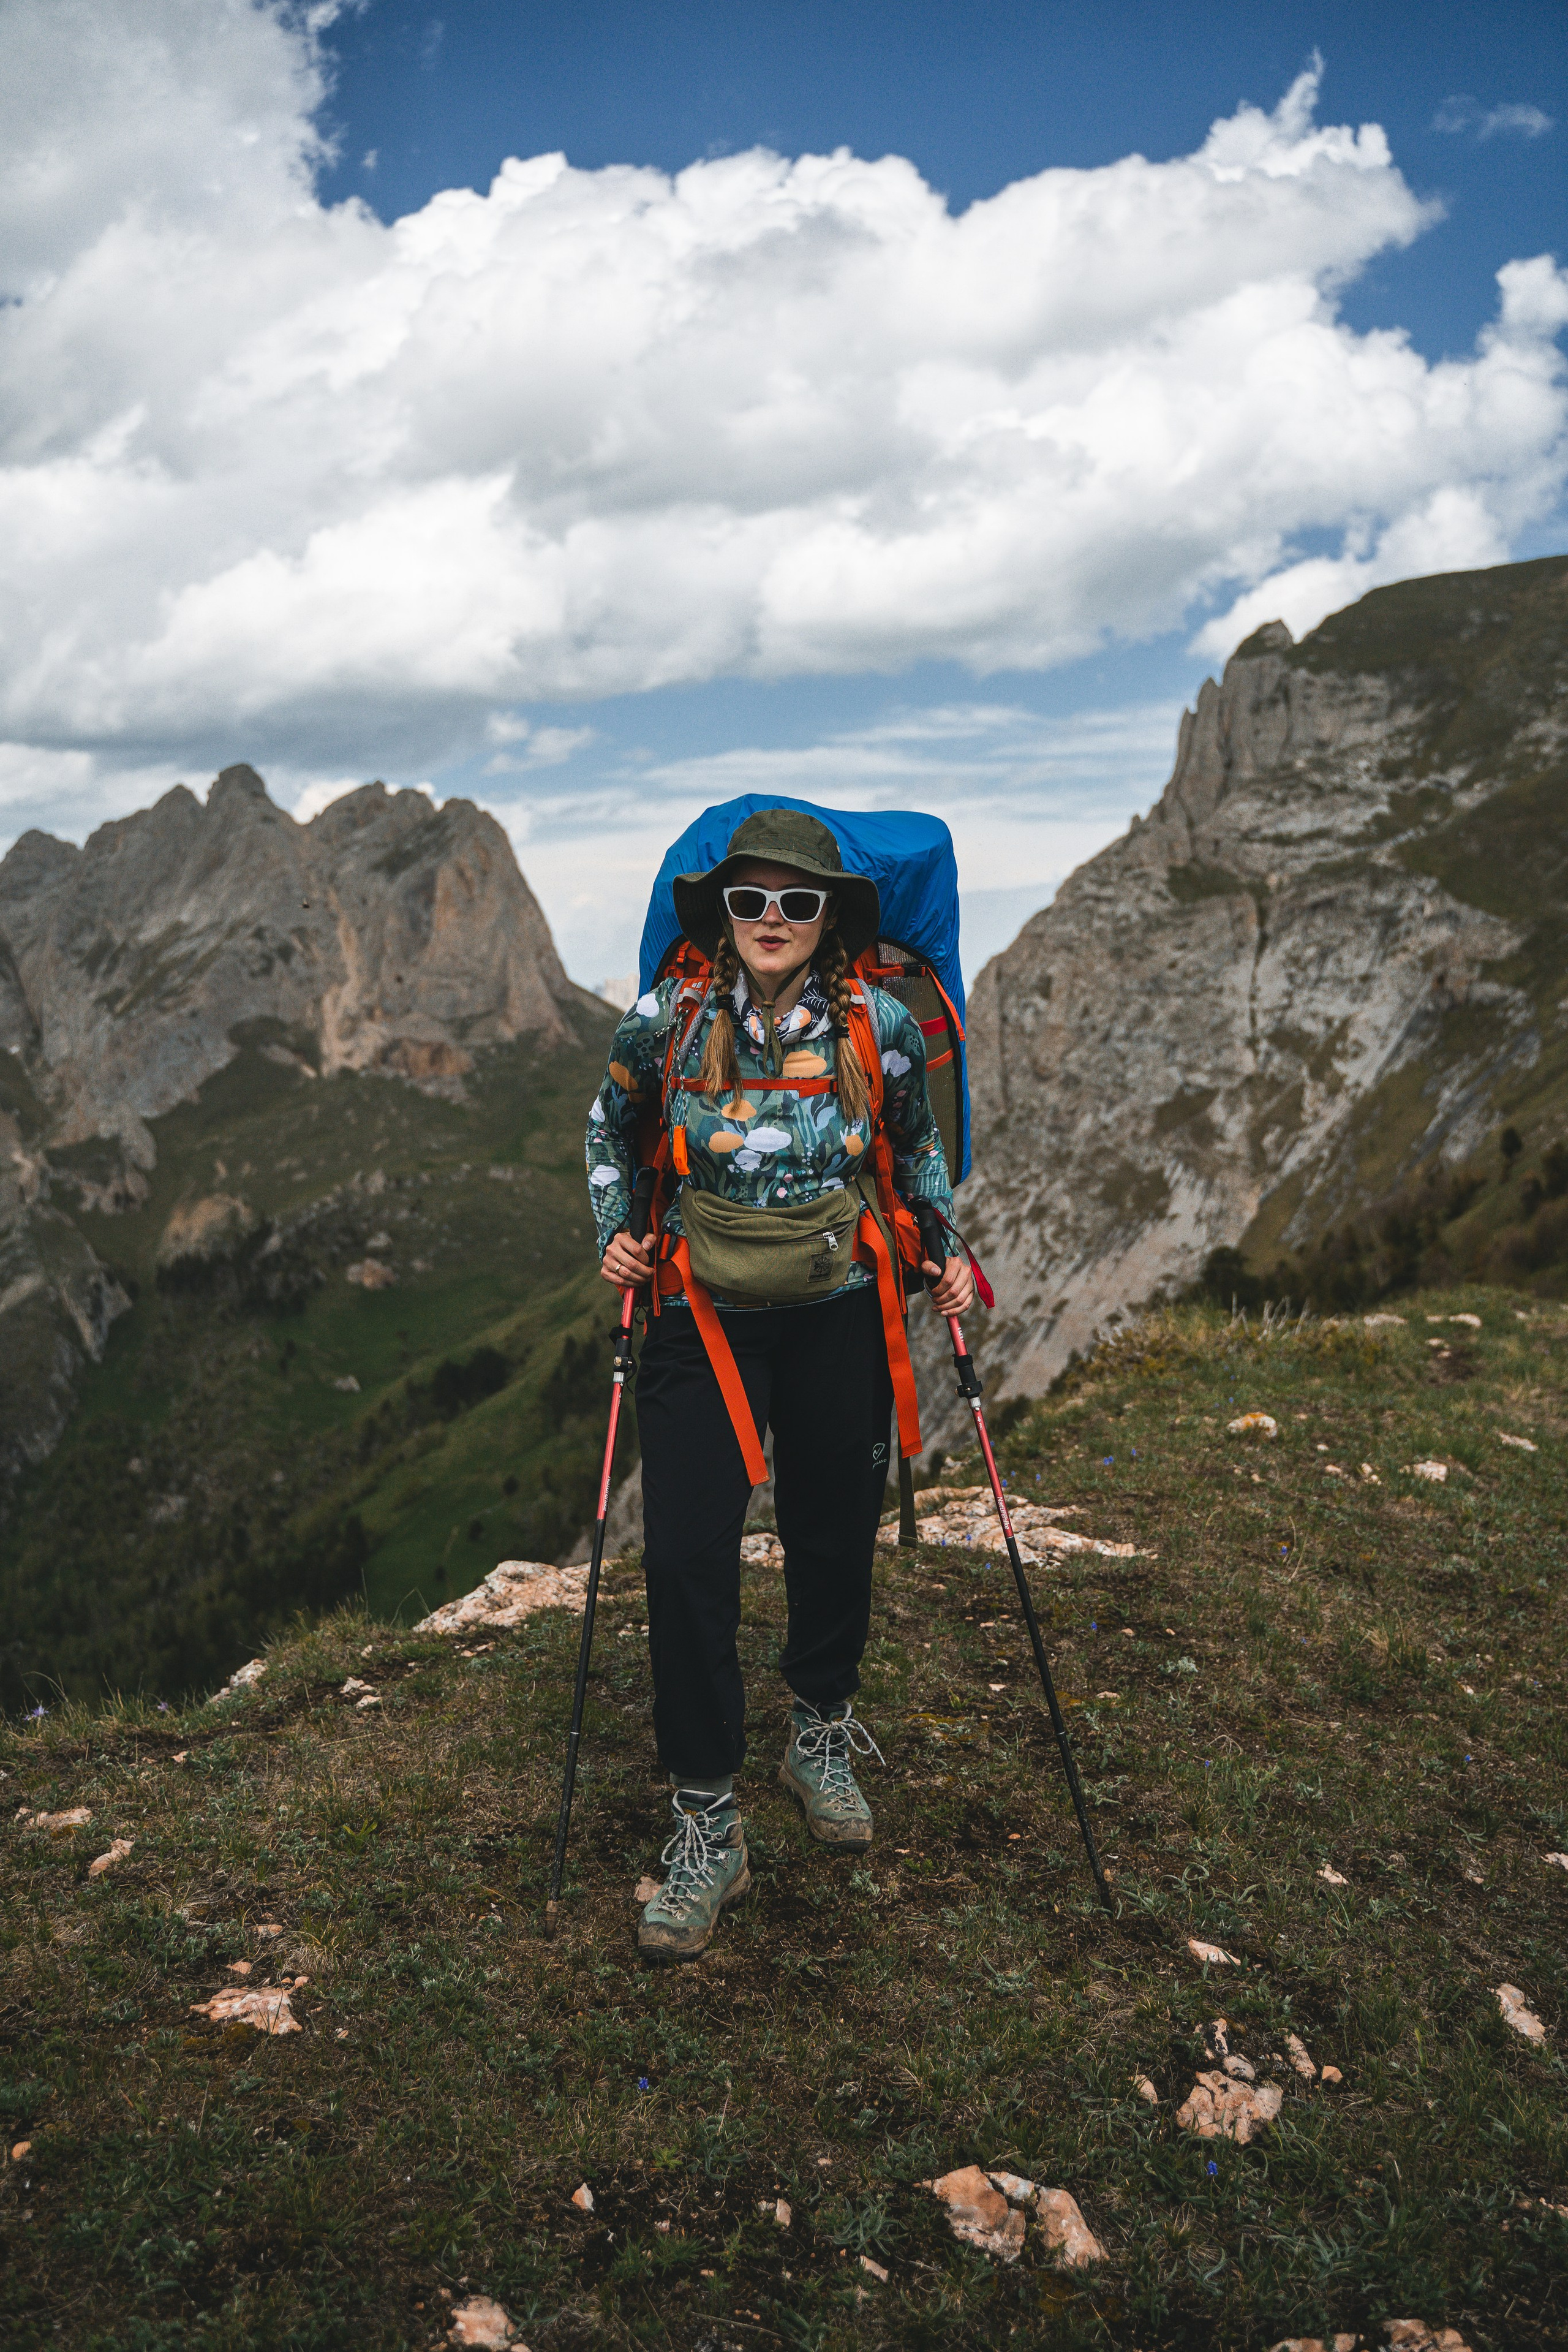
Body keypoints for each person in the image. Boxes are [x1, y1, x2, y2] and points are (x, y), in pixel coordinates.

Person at [585, 807, 973, 1959]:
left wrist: (942, 1246)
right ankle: (707, 1819)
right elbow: (609, 1129)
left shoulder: (877, 1024)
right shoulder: (666, 1019)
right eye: (749, 899)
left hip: (838, 1305)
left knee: (834, 1527)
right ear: (721, 912)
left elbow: (918, 1146)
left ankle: (820, 1728)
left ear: (828, 918)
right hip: (697, 1312)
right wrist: (616, 1235)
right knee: (684, 1556)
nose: (771, 918)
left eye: (797, 901)